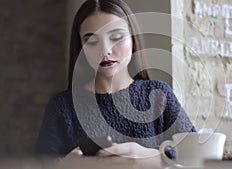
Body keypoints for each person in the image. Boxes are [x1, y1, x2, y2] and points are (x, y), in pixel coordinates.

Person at [35, 0, 195, 161]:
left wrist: (152, 159)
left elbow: (196, 158)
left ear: (133, 40)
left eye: (116, 37)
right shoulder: (62, 107)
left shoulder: (159, 95)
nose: (105, 50)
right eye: (91, 41)